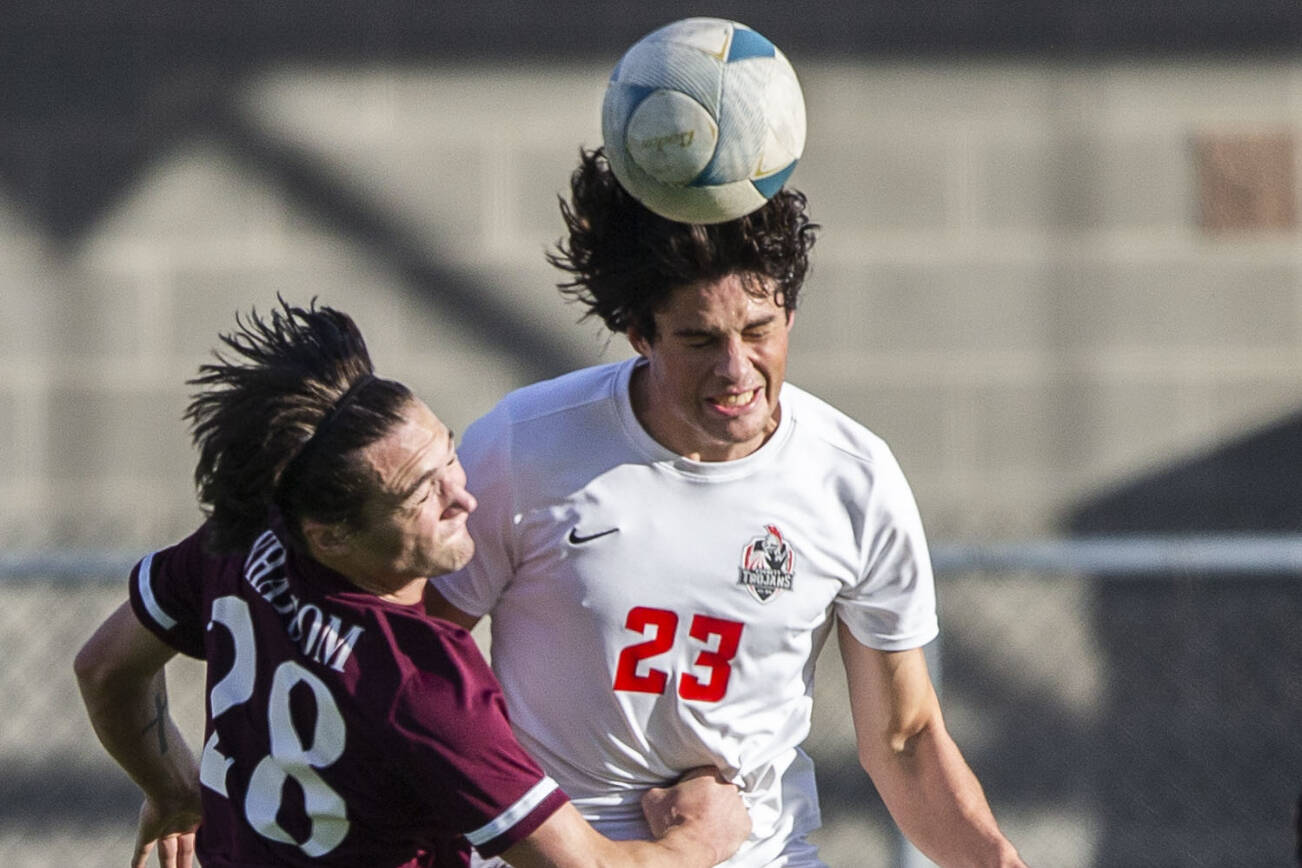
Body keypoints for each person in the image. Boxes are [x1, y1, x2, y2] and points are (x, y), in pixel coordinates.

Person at [426, 149, 1028, 867]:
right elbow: (418, 666)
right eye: (700, 339)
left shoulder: (852, 479)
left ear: (791, 314)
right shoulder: (525, 447)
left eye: (758, 329)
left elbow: (901, 741)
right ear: (640, 335)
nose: (737, 369)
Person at [74, 300, 751, 868]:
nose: (465, 499)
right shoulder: (424, 688)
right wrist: (698, 839)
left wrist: (173, 796)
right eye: (422, 494)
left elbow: (105, 669)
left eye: (450, 455)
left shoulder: (247, 539)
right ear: (332, 534)